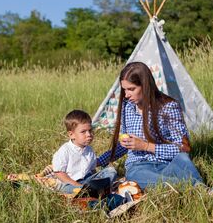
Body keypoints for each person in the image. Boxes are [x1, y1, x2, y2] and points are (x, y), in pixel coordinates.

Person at [97, 61, 205, 190]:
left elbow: (184, 148)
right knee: (137, 177)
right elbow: (125, 145)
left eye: (131, 89)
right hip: (139, 166)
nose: (126, 95)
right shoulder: (127, 107)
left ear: (145, 85)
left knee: (183, 159)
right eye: (124, 89)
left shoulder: (168, 106)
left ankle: (198, 188)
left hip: (168, 163)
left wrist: (145, 146)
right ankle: (195, 188)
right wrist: (98, 161)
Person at [52, 109, 118, 194]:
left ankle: (92, 191)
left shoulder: (89, 150)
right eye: (83, 132)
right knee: (67, 189)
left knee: (111, 171)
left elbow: (92, 170)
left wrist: (95, 180)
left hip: (86, 181)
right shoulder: (65, 150)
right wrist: (77, 185)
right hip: (69, 183)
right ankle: (89, 192)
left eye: (90, 130)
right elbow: (59, 173)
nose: (89, 134)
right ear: (71, 135)